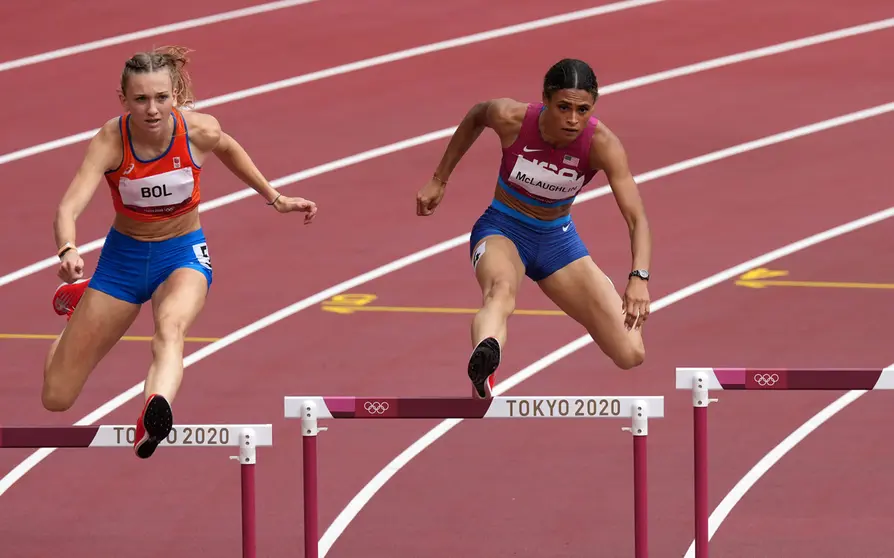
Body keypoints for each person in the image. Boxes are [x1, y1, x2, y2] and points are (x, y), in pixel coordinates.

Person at [46, 46, 318, 458]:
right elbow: (69, 206)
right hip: (122, 262)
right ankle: (79, 306)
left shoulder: (198, 130)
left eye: (160, 97)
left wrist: (274, 197)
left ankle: (154, 411)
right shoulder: (110, 140)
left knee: (170, 328)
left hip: (183, 254)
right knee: (57, 396)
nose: (152, 109)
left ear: (174, 94)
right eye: (140, 99)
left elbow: (229, 148)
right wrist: (68, 247)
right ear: (124, 101)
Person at [415, 58, 651, 399]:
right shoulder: (511, 118)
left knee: (631, 353)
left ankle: (600, 293)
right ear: (546, 99)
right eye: (564, 107)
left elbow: (637, 218)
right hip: (503, 229)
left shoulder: (602, 145)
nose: (572, 119)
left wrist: (639, 278)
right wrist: (440, 178)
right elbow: (476, 116)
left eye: (583, 109)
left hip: (558, 241)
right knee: (500, 292)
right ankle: (485, 364)